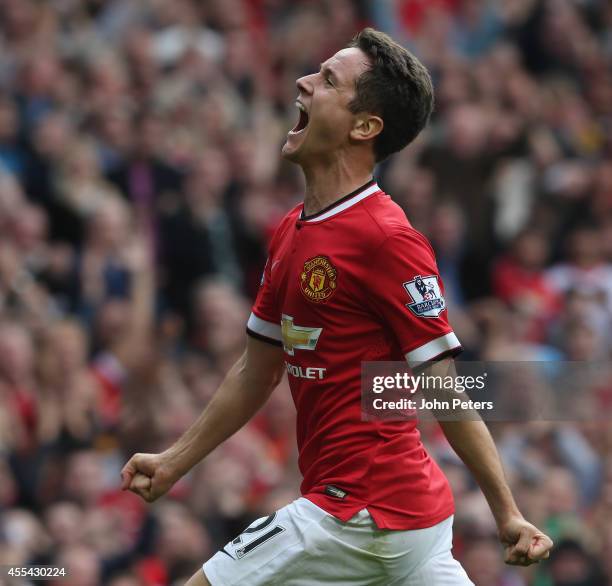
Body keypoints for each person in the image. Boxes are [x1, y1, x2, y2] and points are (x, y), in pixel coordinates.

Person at [121, 28, 553, 585]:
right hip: (408, 523)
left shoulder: (386, 238)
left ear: (364, 126)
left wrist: (506, 511)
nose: (303, 81)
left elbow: (443, 384)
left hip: (356, 509)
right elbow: (257, 369)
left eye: (327, 80)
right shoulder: (289, 232)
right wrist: (175, 460)